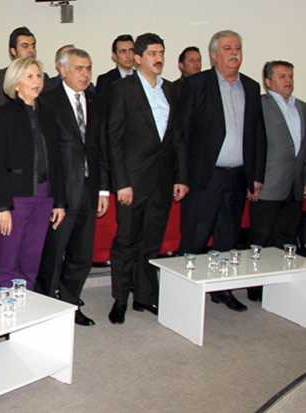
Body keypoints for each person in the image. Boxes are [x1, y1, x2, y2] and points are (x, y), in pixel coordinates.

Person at [178, 30, 267, 312]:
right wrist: (181, 176)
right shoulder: (197, 84)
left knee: (228, 238)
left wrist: (256, 176)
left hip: (238, 176)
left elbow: (257, 135)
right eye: (227, 48)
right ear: (214, 55)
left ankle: (222, 290)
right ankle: (183, 293)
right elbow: (182, 133)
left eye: (237, 47)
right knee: (195, 236)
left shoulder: (251, 87)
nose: (234, 52)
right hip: (205, 176)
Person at [106, 33, 188, 324]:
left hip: (163, 179)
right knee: (126, 240)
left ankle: (145, 296)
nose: (158, 58)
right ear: (138, 58)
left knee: (152, 241)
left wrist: (181, 177)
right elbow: (113, 140)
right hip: (133, 180)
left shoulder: (170, 90)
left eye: (161, 52)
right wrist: (121, 182)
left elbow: (177, 137)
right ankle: (120, 299)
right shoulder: (122, 89)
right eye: (152, 53)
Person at [34, 49, 110, 326]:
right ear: (62, 70)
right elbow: (46, 154)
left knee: (82, 255)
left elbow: (101, 148)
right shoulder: (47, 101)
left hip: (90, 190)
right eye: (79, 68)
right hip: (61, 192)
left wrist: (103, 189)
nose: (85, 74)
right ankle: (45, 308)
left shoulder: (97, 101)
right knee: (53, 254)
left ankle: (69, 303)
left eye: (88, 68)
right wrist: (55, 196)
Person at [0, 57, 66, 290]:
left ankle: (26, 302)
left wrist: (59, 202)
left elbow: (57, 160)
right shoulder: (4, 115)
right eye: (29, 76)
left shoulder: (49, 114)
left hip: (45, 195)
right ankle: (5, 305)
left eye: (38, 76)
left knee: (32, 257)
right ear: (16, 84)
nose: (36, 81)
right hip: (16, 197)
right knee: (10, 258)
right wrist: (2, 207)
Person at [248, 60, 306, 302]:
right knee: (261, 238)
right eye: (282, 76)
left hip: (294, 184)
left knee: (286, 238)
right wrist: (253, 179)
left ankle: (279, 287)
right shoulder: (259, 105)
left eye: (290, 75)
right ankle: (256, 287)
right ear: (268, 81)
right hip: (267, 183)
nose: (288, 80)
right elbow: (251, 144)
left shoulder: (301, 107)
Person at [0, 26, 50, 119]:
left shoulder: (43, 77)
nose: (31, 51)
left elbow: (48, 110)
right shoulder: (0, 76)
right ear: (13, 51)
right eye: (25, 46)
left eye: (33, 46)